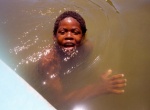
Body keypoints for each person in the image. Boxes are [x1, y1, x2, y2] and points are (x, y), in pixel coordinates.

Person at [38, 11, 127, 109]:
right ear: (54, 37)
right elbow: (59, 101)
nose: (69, 36)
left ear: (84, 37)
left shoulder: (87, 48)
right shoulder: (49, 61)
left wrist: (97, 77)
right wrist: (99, 88)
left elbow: (83, 67)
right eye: (62, 32)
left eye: (75, 32)